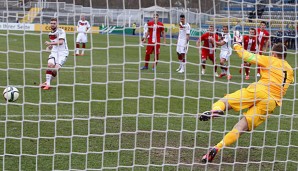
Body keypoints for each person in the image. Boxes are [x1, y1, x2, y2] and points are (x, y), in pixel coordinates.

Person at [199, 43, 294, 163]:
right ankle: (217, 147)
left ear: (274, 54)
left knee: (226, 101)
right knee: (241, 127)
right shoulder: (290, 70)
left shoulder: (271, 60)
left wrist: (237, 46)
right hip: (271, 102)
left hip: (259, 90)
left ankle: (217, 110)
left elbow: (248, 56)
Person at [40, 18, 69, 90]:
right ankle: (48, 84)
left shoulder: (61, 31)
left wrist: (50, 43)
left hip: (63, 53)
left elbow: (61, 42)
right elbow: (54, 42)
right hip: (54, 52)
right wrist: (49, 47)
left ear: (57, 24)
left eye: (54, 23)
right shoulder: (50, 33)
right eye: (51, 23)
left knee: (56, 69)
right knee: (50, 65)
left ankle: (47, 82)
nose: (52, 24)